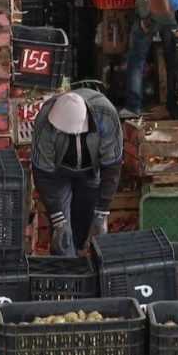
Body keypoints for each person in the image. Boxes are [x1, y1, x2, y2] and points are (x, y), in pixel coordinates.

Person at [29, 86, 124, 255]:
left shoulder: (106, 114)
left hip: (91, 170)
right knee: (62, 236)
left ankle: (81, 258)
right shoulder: (44, 121)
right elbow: (42, 172)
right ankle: (66, 272)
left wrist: (102, 212)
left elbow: (112, 165)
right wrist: (57, 219)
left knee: (86, 223)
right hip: (58, 172)